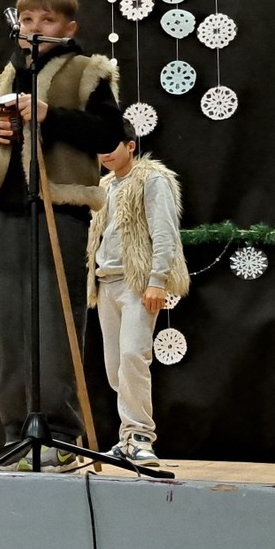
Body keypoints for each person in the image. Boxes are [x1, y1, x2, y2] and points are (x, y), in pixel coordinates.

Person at [0, 0, 124, 470]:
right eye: (28, 19)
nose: (35, 28)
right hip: (6, 213)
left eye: (47, 20)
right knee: (4, 325)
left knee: (55, 325)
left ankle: (61, 435)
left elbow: (109, 134)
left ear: (68, 27)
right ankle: (17, 433)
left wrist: (49, 115)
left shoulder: (88, 72)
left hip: (59, 210)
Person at [86, 125, 189, 465]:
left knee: (134, 356)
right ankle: (126, 437)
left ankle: (141, 435)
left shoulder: (151, 179)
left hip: (137, 282)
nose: (105, 154)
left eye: (111, 145)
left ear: (130, 146)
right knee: (115, 367)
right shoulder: (103, 186)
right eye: (99, 147)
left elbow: (164, 231)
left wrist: (157, 280)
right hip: (106, 282)